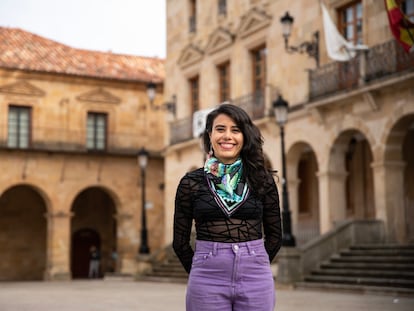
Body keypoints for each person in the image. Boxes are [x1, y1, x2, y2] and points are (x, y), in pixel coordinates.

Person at [173, 104, 282, 311]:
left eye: (236, 130)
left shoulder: (263, 181)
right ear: (210, 134)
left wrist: (256, 262)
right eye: (220, 129)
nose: (227, 136)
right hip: (207, 278)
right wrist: (201, 269)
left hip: (256, 277)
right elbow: (180, 242)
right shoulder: (191, 183)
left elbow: (275, 236)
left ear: (245, 136)